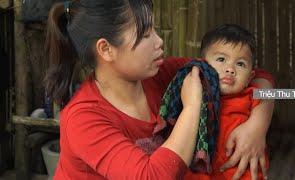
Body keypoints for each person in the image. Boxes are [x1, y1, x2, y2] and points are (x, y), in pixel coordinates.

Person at [44, 1, 274, 179]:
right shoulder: (83, 119)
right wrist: (193, 107)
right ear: (106, 49)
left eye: (154, 31)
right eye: (145, 35)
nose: (159, 41)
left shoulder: (159, 75)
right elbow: (152, 176)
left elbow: (259, 76)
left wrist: (258, 125)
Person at [184, 24, 274, 180]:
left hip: (240, 171)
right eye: (221, 59)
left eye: (240, 64)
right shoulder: (193, 91)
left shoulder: (252, 93)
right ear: (202, 64)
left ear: (250, 76)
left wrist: (258, 125)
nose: (230, 68)